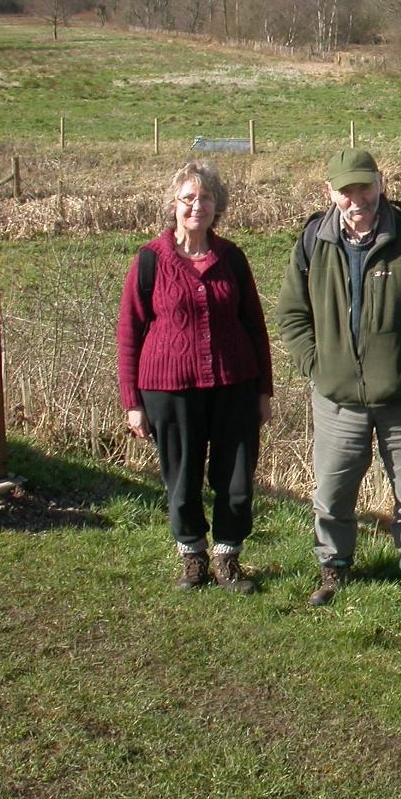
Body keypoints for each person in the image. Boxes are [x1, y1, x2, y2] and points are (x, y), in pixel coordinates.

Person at [278, 149, 401, 619]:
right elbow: (291, 315)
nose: (356, 199)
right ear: (330, 192)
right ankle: (334, 568)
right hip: (336, 398)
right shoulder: (313, 241)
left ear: (380, 183)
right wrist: (316, 365)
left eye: (364, 187)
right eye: (346, 190)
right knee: (333, 492)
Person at [117, 161, 273, 594]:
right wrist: (132, 402)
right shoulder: (150, 260)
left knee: (236, 479)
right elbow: (129, 330)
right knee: (181, 478)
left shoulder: (232, 258)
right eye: (188, 198)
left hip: (234, 385)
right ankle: (192, 556)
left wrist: (264, 391)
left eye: (205, 198)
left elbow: (255, 327)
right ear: (174, 204)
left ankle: (227, 557)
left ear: (216, 206)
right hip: (169, 388)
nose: (196, 206)